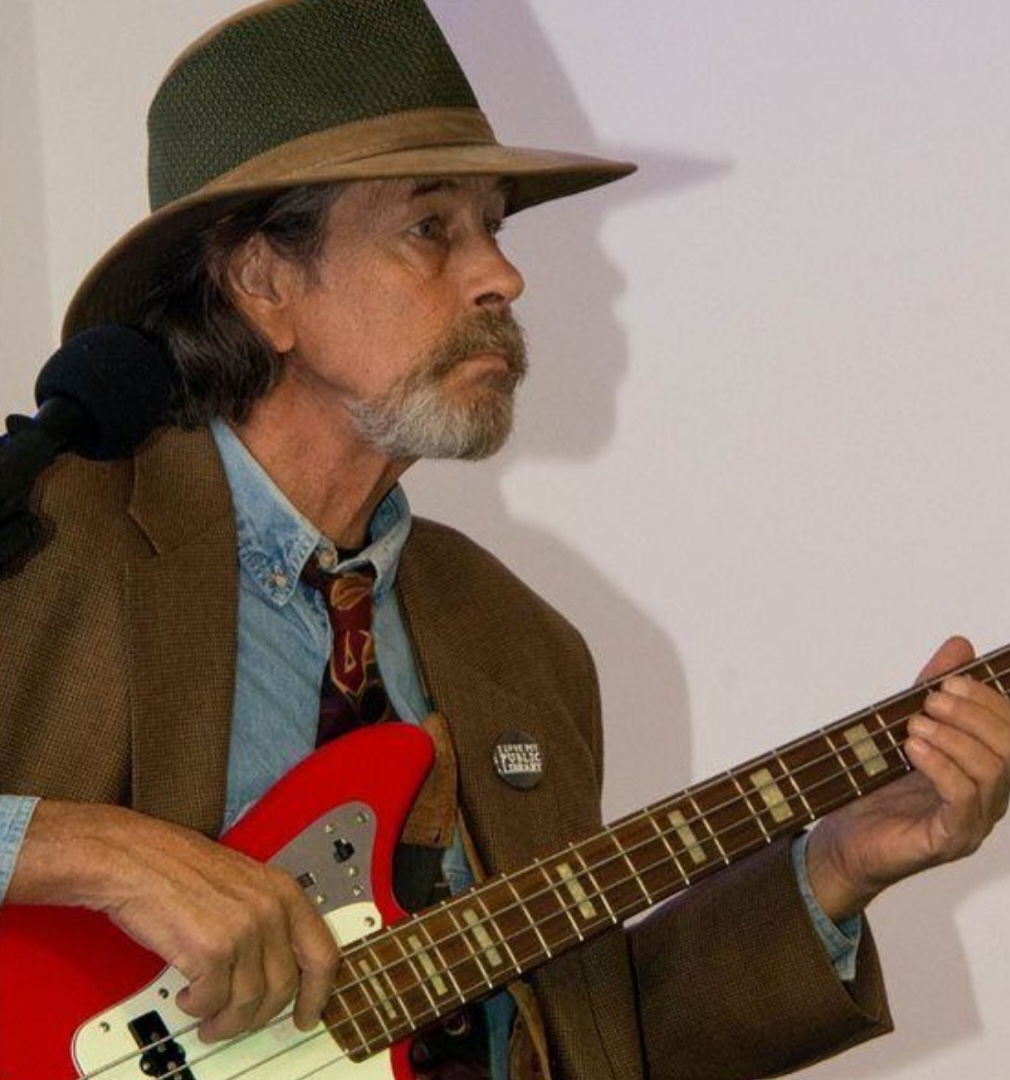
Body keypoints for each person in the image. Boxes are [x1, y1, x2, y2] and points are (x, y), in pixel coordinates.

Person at [1, 2, 1008, 1078]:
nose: (502, 276)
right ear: (264, 283)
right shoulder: (51, 533)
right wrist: (93, 852)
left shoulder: (522, 644)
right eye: (431, 228)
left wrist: (839, 864)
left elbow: (594, 1040)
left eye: (494, 228)